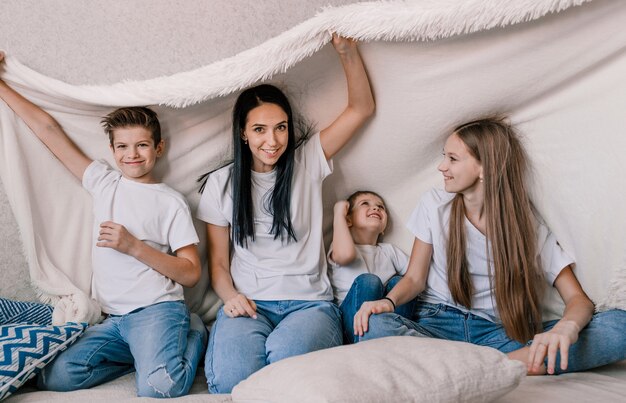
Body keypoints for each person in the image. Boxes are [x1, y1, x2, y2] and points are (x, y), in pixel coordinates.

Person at [0, 52, 207, 397]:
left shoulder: (170, 201)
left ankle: (194, 331)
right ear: (112, 150)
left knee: (159, 388)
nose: (133, 155)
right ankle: (143, 355)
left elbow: (190, 273)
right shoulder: (104, 183)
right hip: (113, 319)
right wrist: (1, 86)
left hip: (157, 310)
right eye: (123, 146)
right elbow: (48, 130)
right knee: (56, 377)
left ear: (159, 148)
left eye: (142, 145)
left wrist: (133, 247)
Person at [354, 117, 626, 375]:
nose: (442, 167)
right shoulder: (434, 205)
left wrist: (567, 327)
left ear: (484, 168)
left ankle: (483, 368)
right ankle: (495, 368)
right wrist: (388, 303)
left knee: (619, 326)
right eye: (444, 157)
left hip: (497, 335)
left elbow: (578, 299)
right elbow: (414, 278)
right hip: (437, 325)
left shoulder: (527, 228)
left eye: (452, 159)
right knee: (374, 327)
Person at [197, 34, 374, 393]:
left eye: (281, 128)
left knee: (287, 368)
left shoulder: (308, 160)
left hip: (308, 305)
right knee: (230, 380)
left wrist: (347, 52)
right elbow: (217, 263)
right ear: (243, 134)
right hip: (249, 304)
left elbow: (361, 109)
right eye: (260, 129)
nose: (272, 140)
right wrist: (230, 297)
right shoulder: (221, 184)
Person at [328, 190, 415, 344]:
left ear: (383, 228)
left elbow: (415, 276)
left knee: (400, 282)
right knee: (369, 281)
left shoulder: (389, 251)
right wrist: (339, 214)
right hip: (352, 324)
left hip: (386, 323)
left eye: (380, 207)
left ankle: (398, 338)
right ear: (348, 220)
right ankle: (364, 340)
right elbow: (345, 255)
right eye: (365, 204)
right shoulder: (340, 246)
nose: (376, 209)